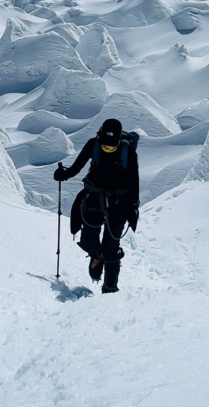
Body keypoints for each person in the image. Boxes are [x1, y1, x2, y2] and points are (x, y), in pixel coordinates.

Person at [54, 118, 139, 294]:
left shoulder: (128, 151)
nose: (108, 149)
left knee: (112, 245)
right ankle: (97, 255)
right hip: (95, 196)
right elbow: (77, 167)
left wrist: (132, 206)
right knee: (88, 240)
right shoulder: (94, 144)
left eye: (111, 147)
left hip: (118, 201)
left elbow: (134, 181)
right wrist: (64, 174)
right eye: (105, 147)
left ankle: (110, 287)